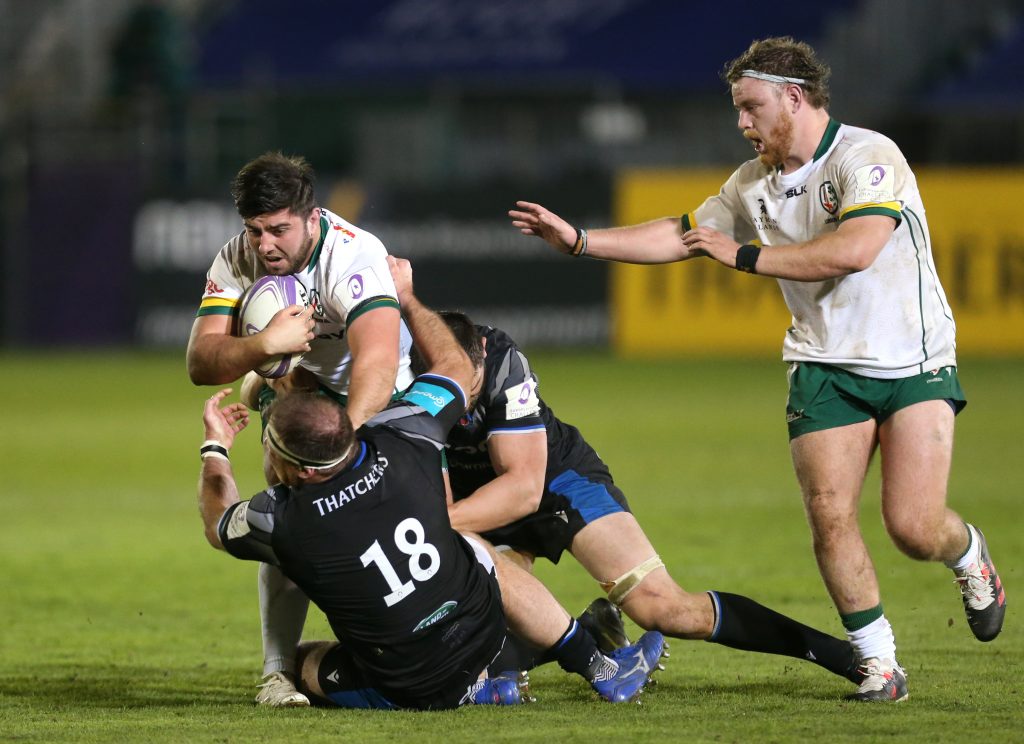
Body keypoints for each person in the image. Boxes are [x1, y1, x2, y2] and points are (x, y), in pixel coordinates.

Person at [508, 36, 1006, 703]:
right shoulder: (752, 185)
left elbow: (855, 250)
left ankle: (967, 552)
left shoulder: (868, 156)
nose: (742, 124)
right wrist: (581, 241)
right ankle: (879, 663)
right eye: (738, 110)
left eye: (751, 108)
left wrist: (740, 256)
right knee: (830, 514)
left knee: (914, 527)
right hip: (822, 365)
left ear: (793, 99)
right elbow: (682, 233)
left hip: (910, 359)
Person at [194, 277, 667, 710]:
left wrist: (216, 446)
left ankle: (480, 689)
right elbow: (456, 368)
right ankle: (597, 666)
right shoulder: (405, 441)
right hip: (480, 630)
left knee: (303, 662)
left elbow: (218, 522)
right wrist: (408, 299)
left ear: (290, 466)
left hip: (413, 683)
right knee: (475, 549)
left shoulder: (285, 519)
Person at [388, 260, 860, 686]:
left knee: (664, 608)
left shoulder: (500, 360)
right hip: (477, 501)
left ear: (480, 355)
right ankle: (590, 634)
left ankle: (841, 654)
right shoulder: (405, 382)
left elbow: (524, 488)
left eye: (470, 386)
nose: (463, 404)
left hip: (555, 482)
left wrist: (441, 523)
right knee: (476, 648)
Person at [186, 151, 415, 706]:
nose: (265, 245)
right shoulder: (237, 257)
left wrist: (345, 443)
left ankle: (459, 649)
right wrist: (265, 346)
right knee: (287, 528)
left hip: (387, 404)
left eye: (279, 230)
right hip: (301, 401)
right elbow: (200, 361)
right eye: (255, 230)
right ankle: (278, 673)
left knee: (426, 526)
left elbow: (378, 362)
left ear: (312, 218)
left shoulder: (354, 254)